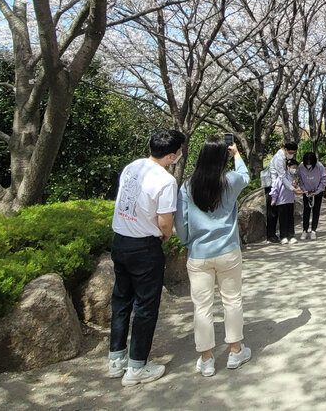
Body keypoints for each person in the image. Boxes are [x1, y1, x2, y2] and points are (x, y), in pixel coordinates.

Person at [108, 128, 186, 386]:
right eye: (179, 152)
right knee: (145, 307)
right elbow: (165, 223)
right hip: (144, 247)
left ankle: (116, 359)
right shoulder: (166, 181)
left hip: (119, 241)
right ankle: (137, 367)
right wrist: (165, 237)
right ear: (172, 156)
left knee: (121, 301)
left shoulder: (132, 167)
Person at [174, 137, 253, 377]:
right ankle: (235, 351)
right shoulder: (230, 181)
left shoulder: (187, 186)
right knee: (232, 300)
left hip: (199, 255)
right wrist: (237, 154)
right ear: (223, 158)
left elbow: (181, 222)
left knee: (202, 307)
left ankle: (206, 359)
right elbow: (246, 176)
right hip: (228, 251)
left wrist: (188, 242)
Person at [265, 142, 298, 244]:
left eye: (294, 153)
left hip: (277, 184)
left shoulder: (283, 157)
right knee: (272, 211)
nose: (292, 154)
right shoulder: (279, 158)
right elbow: (282, 177)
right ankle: (270, 235)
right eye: (291, 152)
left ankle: (277, 234)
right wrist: (293, 189)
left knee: (278, 210)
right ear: (285, 149)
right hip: (272, 185)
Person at [271, 158, 302, 244]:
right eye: (293, 167)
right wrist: (274, 198)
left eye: (296, 167)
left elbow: (294, 188)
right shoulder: (281, 177)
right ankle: (283, 236)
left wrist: (296, 187)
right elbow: (275, 187)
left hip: (290, 201)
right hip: (282, 201)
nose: (294, 169)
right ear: (288, 167)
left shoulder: (292, 177)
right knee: (283, 219)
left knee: (290, 219)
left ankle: (291, 236)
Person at [298, 151, 326, 240]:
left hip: (317, 192)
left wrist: (318, 190)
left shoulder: (319, 166)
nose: (308, 165)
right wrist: (304, 190)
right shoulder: (301, 167)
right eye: (306, 163)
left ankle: (313, 230)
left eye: (310, 163)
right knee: (306, 211)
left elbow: (324, 178)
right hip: (307, 192)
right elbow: (300, 179)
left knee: (316, 211)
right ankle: (304, 230)